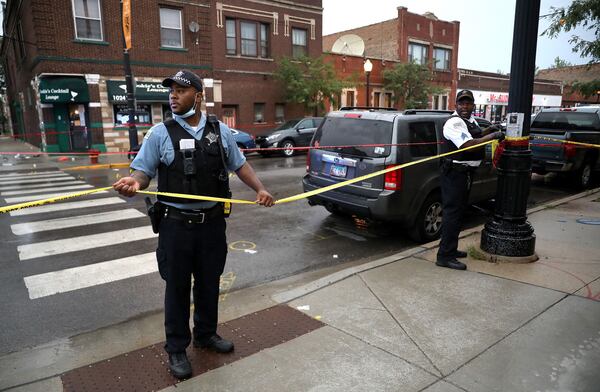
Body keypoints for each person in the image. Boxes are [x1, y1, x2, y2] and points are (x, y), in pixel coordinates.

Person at [113, 70, 274, 379]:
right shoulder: (160, 133)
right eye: (171, 90)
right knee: (176, 287)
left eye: (181, 90)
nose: (172, 95)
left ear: (198, 96)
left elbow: (239, 164)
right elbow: (143, 173)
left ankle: (205, 334)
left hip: (212, 224)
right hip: (176, 226)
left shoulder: (220, 131)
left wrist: (260, 189)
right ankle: (176, 348)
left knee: (209, 281)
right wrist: (133, 181)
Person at [436, 89, 504, 271]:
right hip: (454, 174)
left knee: (458, 213)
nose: (465, 106)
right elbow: (468, 145)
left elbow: (475, 135)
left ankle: (450, 249)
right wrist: (493, 136)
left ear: (473, 105)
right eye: (461, 103)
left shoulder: (469, 121)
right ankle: (444, 256)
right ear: (456, 105)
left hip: (465, 174)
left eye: (468, 103)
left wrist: (489, 130)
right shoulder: (454, 123)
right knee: (452, 214)